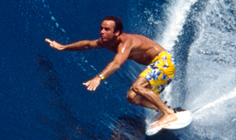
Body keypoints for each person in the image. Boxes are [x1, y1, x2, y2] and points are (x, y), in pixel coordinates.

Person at [45, 16, 179, 128]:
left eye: (107, 29)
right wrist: (64, 47)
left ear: (117, 32)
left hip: (165, 61)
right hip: (158, 65)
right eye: (101, 28)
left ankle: (168, 113)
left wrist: (99, 78)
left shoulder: (126, 42)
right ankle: (163, 108)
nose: (102, 32)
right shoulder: (107, 42)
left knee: (138, 87)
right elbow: (87, 44)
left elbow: (116, 63)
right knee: (132, 97)